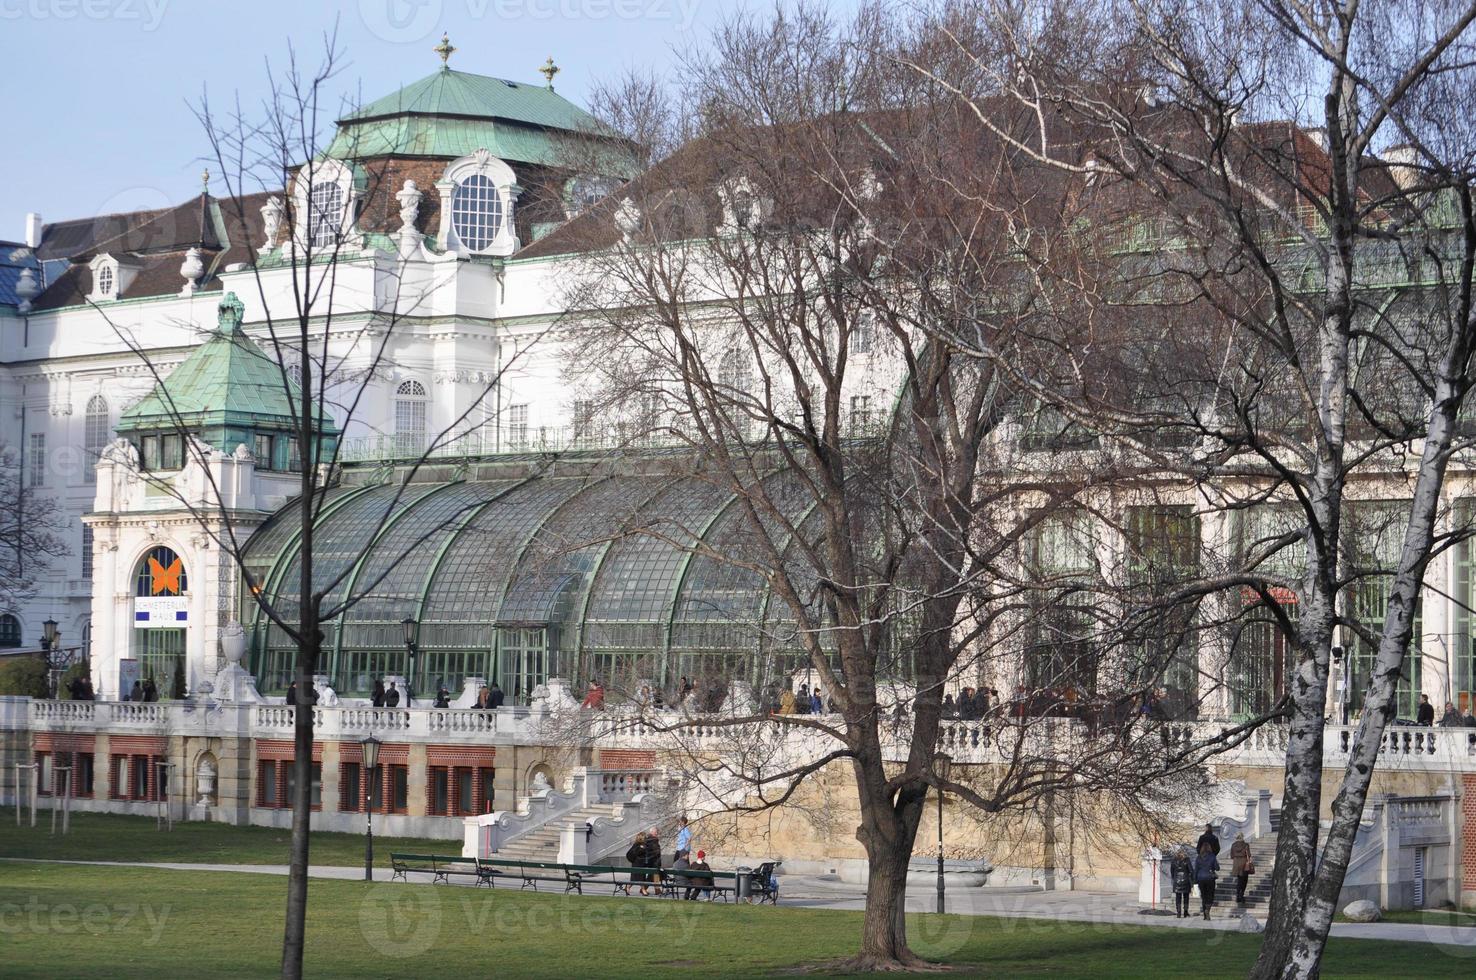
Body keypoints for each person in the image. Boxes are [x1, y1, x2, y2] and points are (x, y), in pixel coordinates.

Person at [1194, 842, 1220, 920]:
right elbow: (1217, 868)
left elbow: (1196, 870)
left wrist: (1194, 880)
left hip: (1200, 878)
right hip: (1210, 878)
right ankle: (1207, 910)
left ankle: (1205, 915)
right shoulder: (1212, 856)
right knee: (1210, 895)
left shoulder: (1198, 857)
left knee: (1204, 896)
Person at [1169, 845, 1194, 918]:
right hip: (1186, 880)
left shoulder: (1174, 860)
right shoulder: (1187, 860)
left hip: (1177, 880)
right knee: (1186, 897)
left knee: (1178, 897)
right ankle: (1185, 912)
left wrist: (1174, 878)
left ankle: (1179, 912)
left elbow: (1172, 871)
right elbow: (1191, 870)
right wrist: (1192, 879)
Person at [1230, 832, 1252, 905]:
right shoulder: (1246, 845)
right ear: (1242, 837)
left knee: (1239, 879)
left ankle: (1237, 894)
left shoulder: (1233, 845)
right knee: (1244, 880)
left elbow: (1232, 856)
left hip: (1236, 863)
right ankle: (1241, 894)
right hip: (1244, 863)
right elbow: (1248, 854)